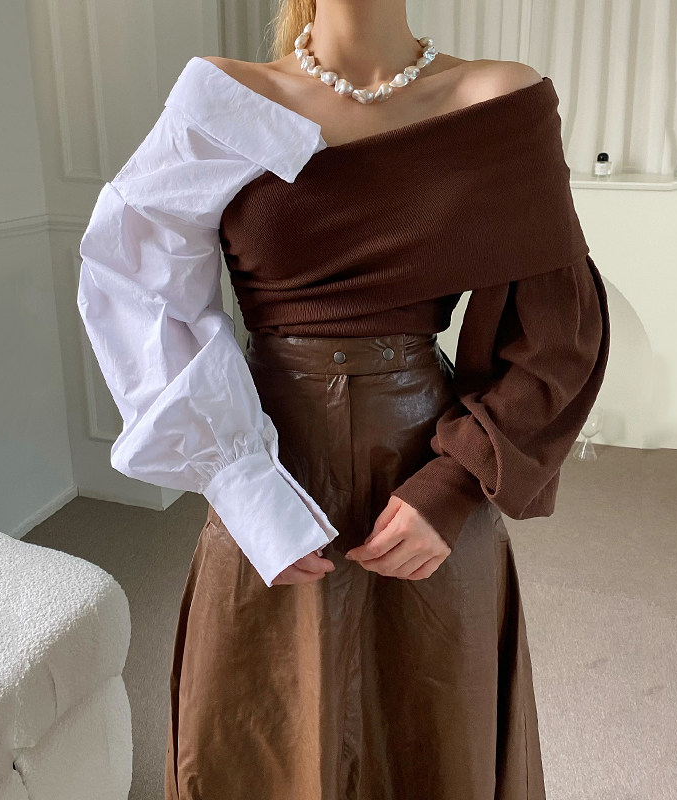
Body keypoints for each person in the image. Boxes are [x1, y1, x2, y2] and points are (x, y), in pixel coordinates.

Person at [77, 2, 610, 798]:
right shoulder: (226, 98)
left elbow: (558, 332)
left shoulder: (498, 101)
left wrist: (454, 484)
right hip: (269, 478)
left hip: (427, 482)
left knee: (438, 745)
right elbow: (134, 287)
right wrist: (244, 488)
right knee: (260, 746)